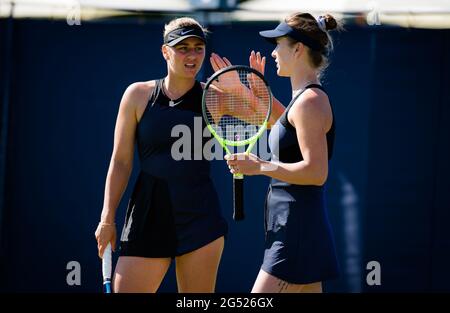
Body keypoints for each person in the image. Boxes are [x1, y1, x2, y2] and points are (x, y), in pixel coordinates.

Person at [94, 17, 228, 293]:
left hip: (200, 219)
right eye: (183, 48)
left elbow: (280, 120)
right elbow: (120, 161)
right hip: (148, 215)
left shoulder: (215, 97)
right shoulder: (137, 95)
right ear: (165, 51)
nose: (192, 55)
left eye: (198, 47)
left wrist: (244, 95)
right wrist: (107, 219)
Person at [219, 12, 340, 292]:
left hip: (296, 231)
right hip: (297, 228)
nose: (273, 53)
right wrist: (256, 95)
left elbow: (316, 172)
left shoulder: (310, 101)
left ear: (297, 49)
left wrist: (259, 166)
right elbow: (284, 124)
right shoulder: (304, 100)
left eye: (278, 45)